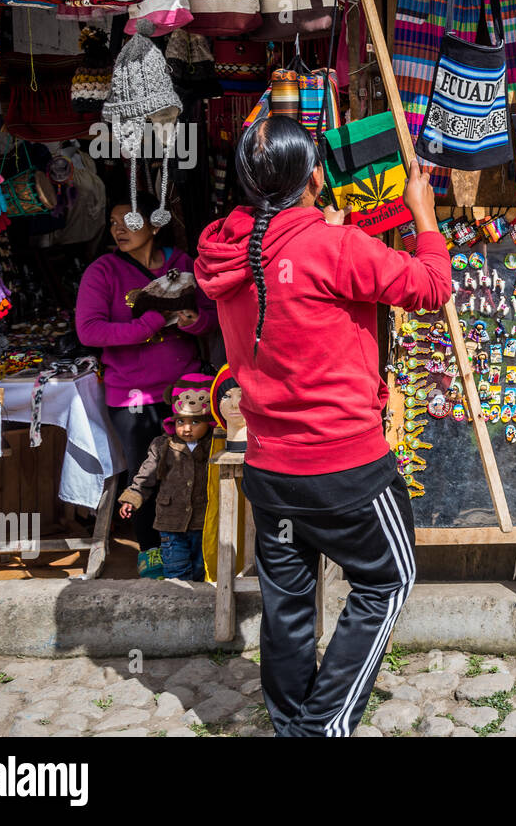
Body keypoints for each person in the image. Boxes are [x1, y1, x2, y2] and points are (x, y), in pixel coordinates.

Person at [196, 115, 450, 737]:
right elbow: (432, 286)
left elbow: (291, 268)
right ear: (314, 177)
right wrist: (424, 216)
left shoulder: (227, 251)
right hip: (346, 469)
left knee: (288, 605)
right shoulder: (333, 247)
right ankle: (321, 727)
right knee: (389, 579)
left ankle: (291, 724)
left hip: (270, 468)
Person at [75, 192, 217, 559]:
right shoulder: (103, 270)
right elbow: (89, 331)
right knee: (145, 474)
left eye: (129, 221)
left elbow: (212, 317)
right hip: (131, 393)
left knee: (193, 469)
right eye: (113, 222)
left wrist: (193, 321)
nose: (118, 229)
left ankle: (195, 552)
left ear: (155, 224)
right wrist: (152, 321)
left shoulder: (183, 264)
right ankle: (153, 553)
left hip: (184, 389)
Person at [117, 374, 214, 582]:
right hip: (171, 522)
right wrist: (132, 497)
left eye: (195, 421)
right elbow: (146, 475)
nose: (186, 428)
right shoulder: (162, 445)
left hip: (203, 522)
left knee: (201, 572)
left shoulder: (214, 446)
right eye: (181, 421)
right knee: (176, 574)